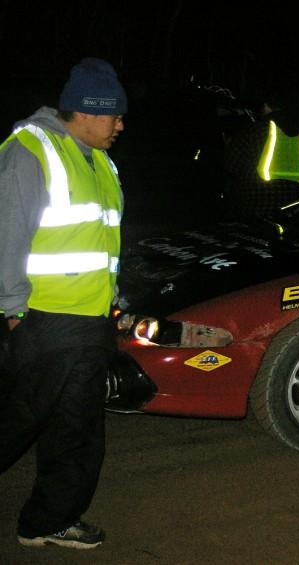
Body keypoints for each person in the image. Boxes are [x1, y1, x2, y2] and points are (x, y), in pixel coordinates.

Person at [0, 57, 127, 549]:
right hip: (43, 321)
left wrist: (114, 299)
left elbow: (100, 240)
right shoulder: (30, 150)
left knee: (76, 427)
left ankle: (48, 519)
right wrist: (13, 312)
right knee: (15, 421)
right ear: (87, 111)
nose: (121, 124)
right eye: (114, 114)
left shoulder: (101, 162)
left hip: (90, 322)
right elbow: (7, 233)